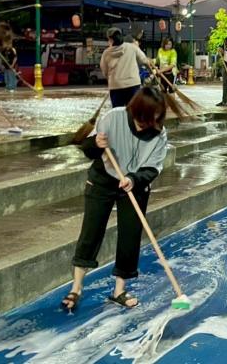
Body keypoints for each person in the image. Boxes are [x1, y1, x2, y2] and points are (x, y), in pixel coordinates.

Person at [62, 87, 168, 311]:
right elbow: (87, 148)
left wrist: (134, 179)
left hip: (134, 183)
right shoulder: (113, 118)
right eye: (142, 119)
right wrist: (95, 143)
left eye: (152, 120)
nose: (145, 125)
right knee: (91, 231)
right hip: (103, 178)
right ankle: (76, 287)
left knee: (130, 235)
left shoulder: (159, 134)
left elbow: (153, 167)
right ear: (134, 110)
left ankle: (119, 290)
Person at [100, 27, 154, 108]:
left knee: (118, 111)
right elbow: (144, 60)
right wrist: (149, 64)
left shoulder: (106, 53)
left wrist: (111, 79)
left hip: (116, 86)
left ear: (110, 40)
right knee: (134, 110)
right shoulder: (132, 47)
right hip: (133, 84)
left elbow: (104, 71)